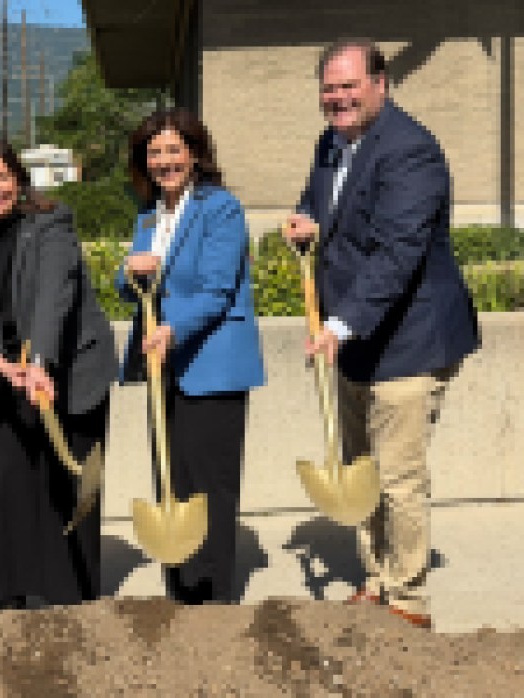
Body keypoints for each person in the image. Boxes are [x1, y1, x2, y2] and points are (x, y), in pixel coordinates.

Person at [284, 39, 479, 629]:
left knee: (397, 477)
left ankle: (410, 601)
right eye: (329, 88)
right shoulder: (331, 144)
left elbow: (399, 254)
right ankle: (377, 580)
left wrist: (339, 325)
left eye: (348, 86)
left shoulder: (410, 151)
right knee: (360, 466)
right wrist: (305, 221)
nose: (337, 98)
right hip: (357, 339)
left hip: (409, 338)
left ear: (380, 84)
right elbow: (321, 205)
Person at [0, 138, 117, 610]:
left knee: (65, 484)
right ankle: (12, 594)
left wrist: (40, 361)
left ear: (18, 180)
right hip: (10, 372)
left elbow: (54, 295)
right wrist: (0, 365)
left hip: (70, 369)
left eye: (1, 177)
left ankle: (69, 599)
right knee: (13, 484)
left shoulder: (50, 222)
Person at [117, 108, 265, 605]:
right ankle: (181, 590)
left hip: (212, 367)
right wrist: (129, 269)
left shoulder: (220, 209)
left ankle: (216, 598)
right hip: (166, 370)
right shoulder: (150, 218)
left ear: (195, 154)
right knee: (172, 482)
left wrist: (171, 328)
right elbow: (130, 284)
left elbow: (219, 289)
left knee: (211, 488)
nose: (164, 161)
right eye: (154, 152)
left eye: (174, 150)